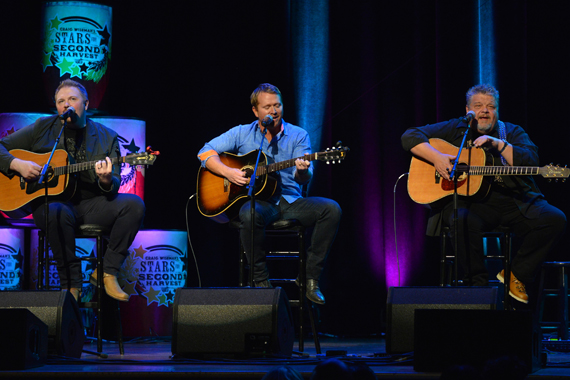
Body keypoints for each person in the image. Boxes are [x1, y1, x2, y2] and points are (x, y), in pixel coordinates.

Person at [401, 84, 566, 304]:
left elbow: (531, 159)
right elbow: (409, 135)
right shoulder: (457, 129)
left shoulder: (511, 132)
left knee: (555, 219)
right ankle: (475, 289)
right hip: (474, 205)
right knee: (460, 218)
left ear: (497, 110)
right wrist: (437, 157)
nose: (485, 111)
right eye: (478, 106)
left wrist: (499, 144)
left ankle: (515, 275)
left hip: (514, 202)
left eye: (491, 106)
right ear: (468, 109)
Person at [0, 79, 145, 302]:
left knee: (134, 205)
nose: (66, 105)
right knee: (55, 212)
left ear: (85, 105)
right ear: (56, 107)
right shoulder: (43, 127)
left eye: (72, 99)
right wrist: (16, 164)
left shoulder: (107, 137)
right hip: (53, 204)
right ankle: (71, 285)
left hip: (91, 205)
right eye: (61, 101)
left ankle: (107, 271)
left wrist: (106, 180)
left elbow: (114, 181)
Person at [197, 83, 342, 304]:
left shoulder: (298, 135)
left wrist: (303, 171)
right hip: (261, 203)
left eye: (277, 105)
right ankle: (260, 281)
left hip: (290, 201)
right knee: (249, 212)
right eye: (267, 107)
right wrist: (229, 172)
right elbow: (205, 152)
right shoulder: (241, 132)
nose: (273, 111)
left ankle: (309, 278)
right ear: (256, 111)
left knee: (331, 209)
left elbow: (303, 177)